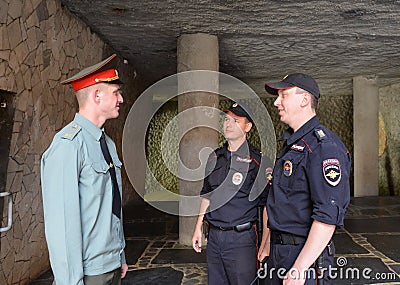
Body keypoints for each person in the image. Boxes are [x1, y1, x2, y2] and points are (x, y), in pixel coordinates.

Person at [41, 54, 128, 285]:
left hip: (111, 266)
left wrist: (120, 255)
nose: (121, 98)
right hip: (89, 273)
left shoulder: (106, 143)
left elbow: (112, 206)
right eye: (116, 92)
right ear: (97, 95)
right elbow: (61, 226)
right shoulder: (68, 146)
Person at [258, 73, 351, 284]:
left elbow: (327, 215)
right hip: (279, 250)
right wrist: (267, 242)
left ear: (304, 99)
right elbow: (279, 201)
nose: (276, 102)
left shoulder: (324, 147)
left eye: (283, 95)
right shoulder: (293, 144)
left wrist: (300, 268)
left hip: (302, 255)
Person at [192, 102, 273, 285]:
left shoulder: (258, 162)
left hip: (241, 240)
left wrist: (265, 242)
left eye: (235, 120)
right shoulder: (214, 157)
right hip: (214, 238)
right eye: (226, 120)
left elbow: (267, 204)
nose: (228, 124)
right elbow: (207, 195)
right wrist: (198, 227)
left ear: (248, 127)